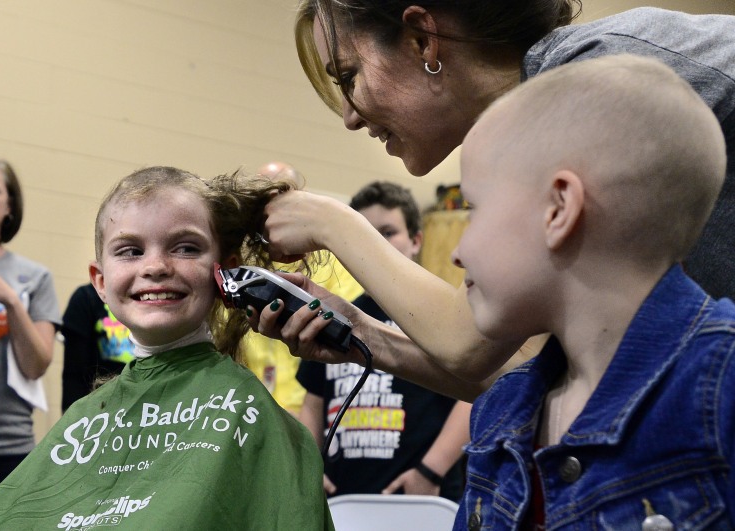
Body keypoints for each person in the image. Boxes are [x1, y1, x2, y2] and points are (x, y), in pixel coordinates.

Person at [253, 1, 735, 402]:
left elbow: (466, 342)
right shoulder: (544, 119)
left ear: (423, 39)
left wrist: (329, 221)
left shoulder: (598, 77)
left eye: (348, 75)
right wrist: (359, 332)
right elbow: (538, 375)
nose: (348, 117)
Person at [452, 55, 733, 528]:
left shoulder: (720, 387)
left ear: (558, 209)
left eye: (472, 209)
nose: (458, 252)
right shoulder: (499, 413)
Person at [0, 166, 334, 530]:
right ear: (100, 281)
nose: (156, 267)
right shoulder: (85, 416)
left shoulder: (252, 414)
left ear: (225, 271)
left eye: (186, 248)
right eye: (131, 251)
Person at [298, 180, 470, 500]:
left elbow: (477, 396)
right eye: (364, 235)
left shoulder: (444, 311)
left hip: (421, 495)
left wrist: (430, 471)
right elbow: (313, 401)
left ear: (416, 240)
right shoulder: (335, 313)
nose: (375, 244)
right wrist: (309, 467)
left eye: (388, 232)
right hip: (344, 499)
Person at [242, 161, 363, 416]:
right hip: (249, 409)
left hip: (308, 407)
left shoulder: (332, 260)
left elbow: (349, 329)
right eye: (261, 200)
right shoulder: (241, 264)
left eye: (282, 197)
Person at [0, 154, 61, 507]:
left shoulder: (34, 277)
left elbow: (37, 365)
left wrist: (11, 301)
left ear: (9, 206)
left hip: (8, 447)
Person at [61, 283, 134, 411]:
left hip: (146, 402)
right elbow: (74, 372)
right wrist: (71, 416)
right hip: (99, 405)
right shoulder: (87, 297)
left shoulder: (149, 297)